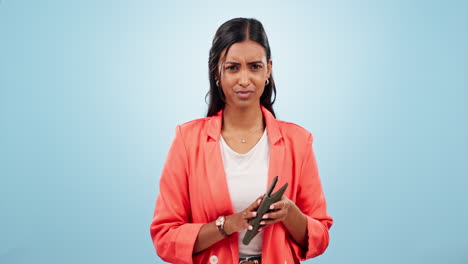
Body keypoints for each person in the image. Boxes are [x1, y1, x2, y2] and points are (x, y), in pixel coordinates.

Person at [150, 17, 333, 264]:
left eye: (255, 66)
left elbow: (320, 236)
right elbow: (165, 237)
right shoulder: (187, 140)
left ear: (268, 69)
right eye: (233, 67)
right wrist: (228, 224)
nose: (244, 80)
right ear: (217, 71)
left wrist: (290, 214)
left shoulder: (298, 141)